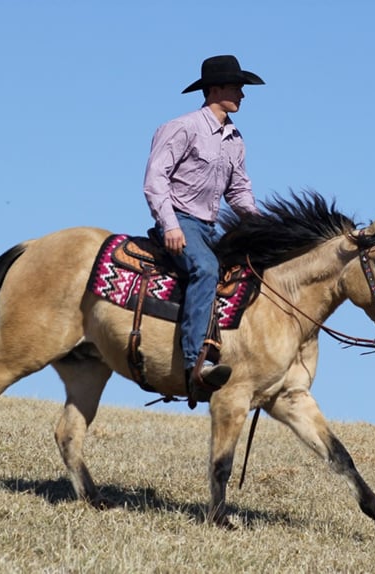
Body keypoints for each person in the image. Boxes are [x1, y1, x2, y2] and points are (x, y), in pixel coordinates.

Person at [142, 54, 265, 402]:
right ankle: (196, 366)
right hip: (180, 220)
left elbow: (238, 191)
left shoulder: (235, 139)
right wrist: (169, 225)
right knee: (207, 268)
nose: (242, 94)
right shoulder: (182, 127)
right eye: (236, 87)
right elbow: (155, 180)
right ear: (214, 89)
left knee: (248, 271)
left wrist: (259, 226)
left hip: (210, 226)